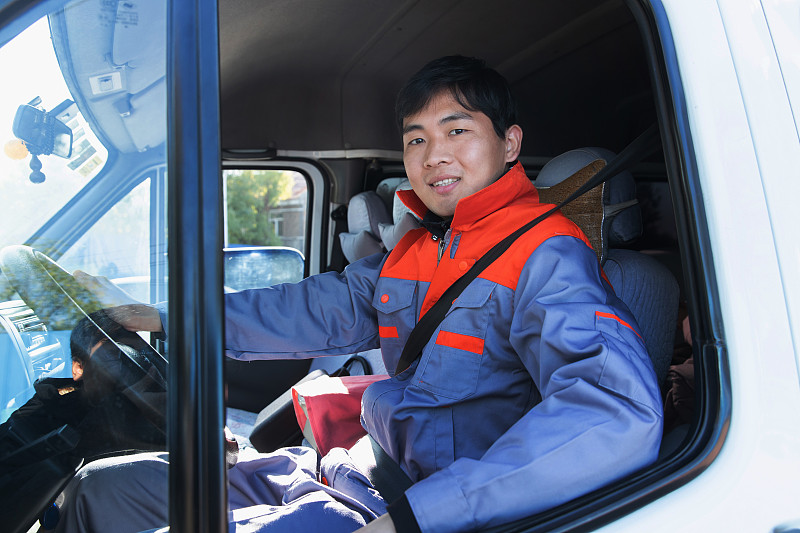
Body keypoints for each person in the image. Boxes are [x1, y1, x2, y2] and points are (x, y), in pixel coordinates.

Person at [53, 55, 663, 533]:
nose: (434, 154)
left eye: (458, 130)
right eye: (417, 138)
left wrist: (418, 519)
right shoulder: (423, 244)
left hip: (416, 508)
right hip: (353, 469)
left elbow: (615, 413)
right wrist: (172, 317)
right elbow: (317, 307)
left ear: (509, 144)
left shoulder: (547, 256)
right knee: (96, 491)